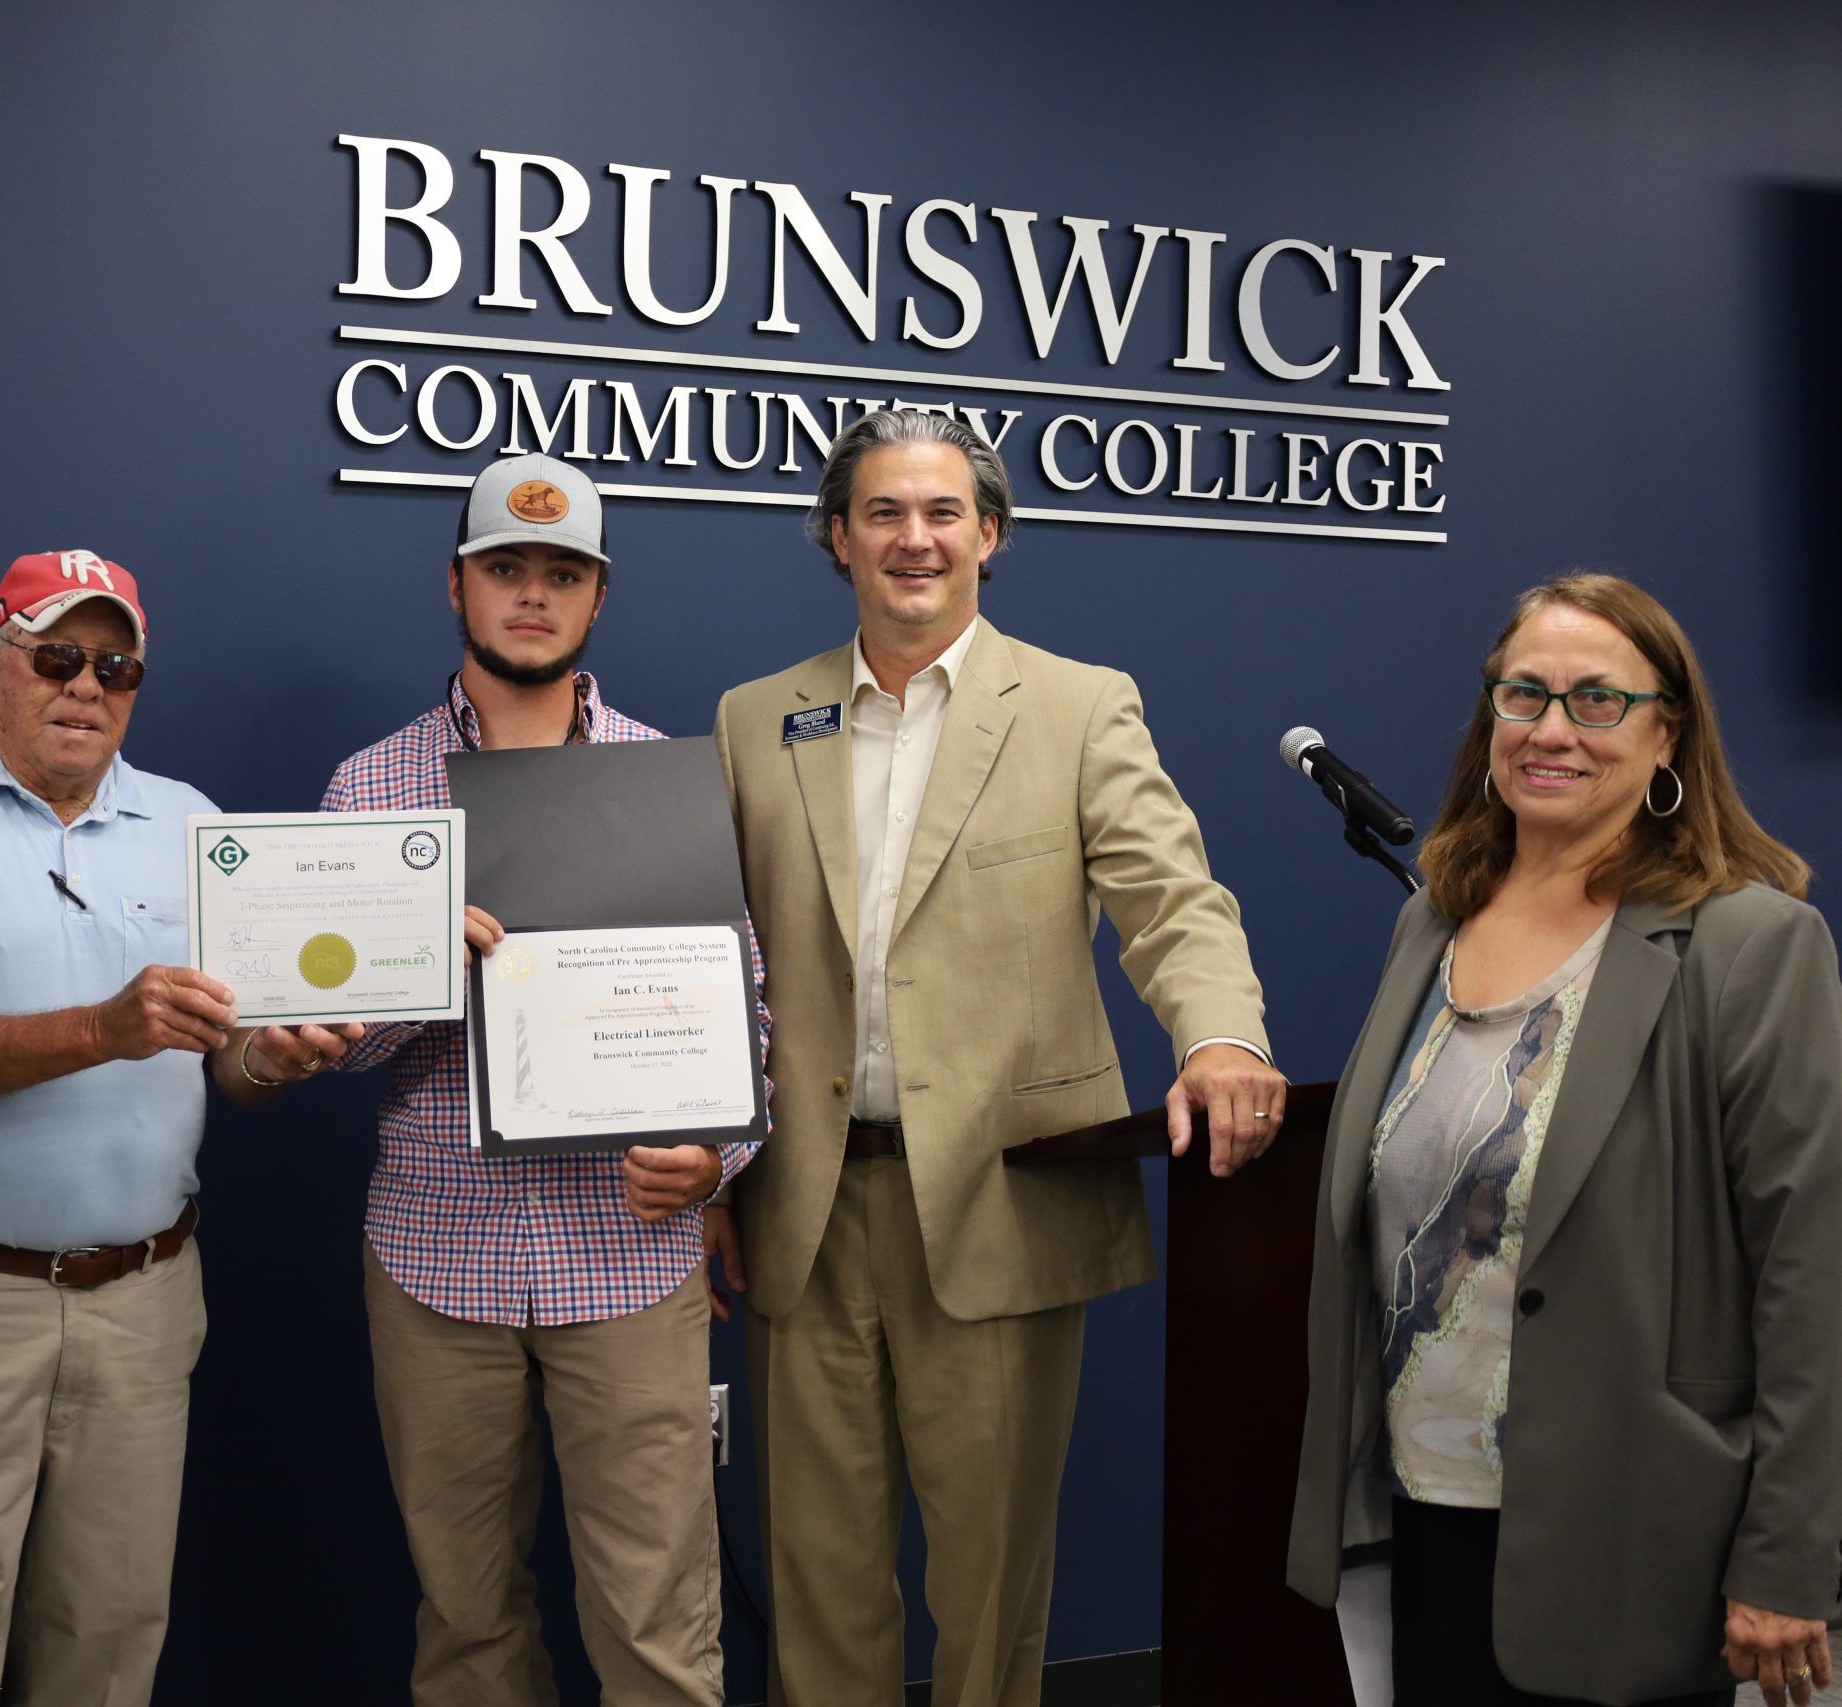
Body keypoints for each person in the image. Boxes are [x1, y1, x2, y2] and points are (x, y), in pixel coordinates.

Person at [714, 407, 1287, 1707]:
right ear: (836, 537)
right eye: (881, 512)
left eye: (939, 512)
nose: (913, 538)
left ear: (990, 531)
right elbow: (715, 956)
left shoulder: (1082, 707)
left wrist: (1220, 1034)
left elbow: (1175, 902)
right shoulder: (756, 718)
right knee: (820, 1584)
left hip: (1001, 1199)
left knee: (988, 1596)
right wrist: (707, 1173)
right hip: (804, 1206)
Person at [230, 452, 756, 1706]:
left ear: (598, 598)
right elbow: (319, 1041)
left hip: (626, 1257)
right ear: (456, 585)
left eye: (561, 573)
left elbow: (752, 1016)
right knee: (465, 1624)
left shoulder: (666, 778)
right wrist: (411, 978)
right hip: (433, 1260)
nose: (532, 594)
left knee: (658, 1624)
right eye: (506, 569)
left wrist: (718, 1158)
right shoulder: (375, 786)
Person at [1287, 574, 1842, 1707]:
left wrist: (1789, 1559)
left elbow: (1812, 1272)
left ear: (1665, 732)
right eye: (1523, 695)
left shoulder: (1750, 942)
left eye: (1597, 701)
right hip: (1423, 1512)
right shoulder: (1432, 918)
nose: (1550, 730)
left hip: (1638, 1530)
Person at [0, 549, 356, 1706]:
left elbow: (225, 1064)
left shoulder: (190, 822)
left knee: (110, 1633)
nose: (86, 686)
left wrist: (269, 1060)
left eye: (116, 665)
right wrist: (99, 1028)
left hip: (143, 1297)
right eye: (55, 656)